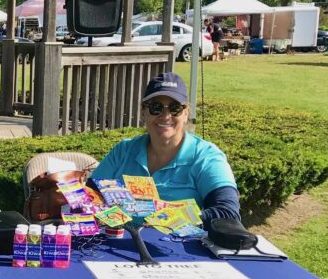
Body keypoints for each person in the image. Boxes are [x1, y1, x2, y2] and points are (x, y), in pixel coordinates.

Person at [88, 72, 240, 225]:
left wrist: (172, 219)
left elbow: (228, 212)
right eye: (156, 107)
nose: (165, 116)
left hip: (178, 247)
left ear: (186, 113)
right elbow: (89, 196)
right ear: (143, 112)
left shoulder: (206, 157)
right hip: (116, 244)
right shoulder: (123, 151)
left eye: (175, 108)